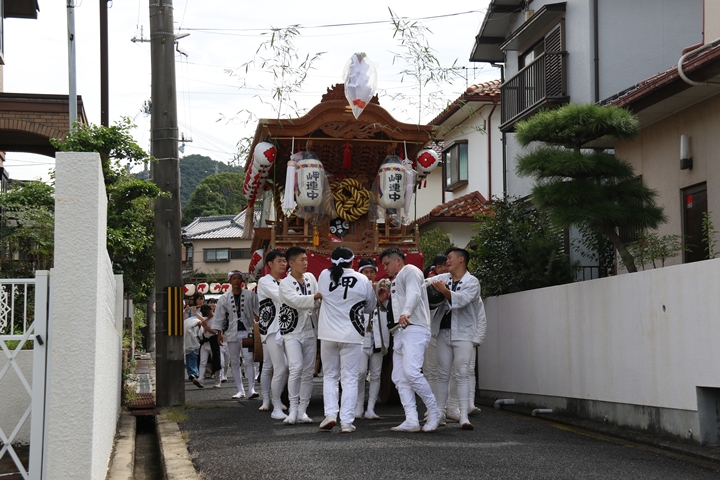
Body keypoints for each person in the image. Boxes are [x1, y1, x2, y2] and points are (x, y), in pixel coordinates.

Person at [380, 247, 442, 433]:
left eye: (387, 263)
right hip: (400, 331)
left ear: (398, 260)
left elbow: (414, 294)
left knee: (412, 372)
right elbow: (398, 304)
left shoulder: (410, 271)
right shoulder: (397, 279)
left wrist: (406, 312)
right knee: (399, 376)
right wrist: (385, 301)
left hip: (414, 327)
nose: (385, 268)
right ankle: (411, 419)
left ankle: (434, 411)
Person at [317, 246, 376, 433]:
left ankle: (330, 414)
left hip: (328, 333)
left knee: (330, 376)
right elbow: (370, 307)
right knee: (350, 378)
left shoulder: (324, 275)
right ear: (353, 261)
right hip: (352, 334)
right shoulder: (362, 279)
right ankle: (347, 422)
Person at [429, 247, 487, 430]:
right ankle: (439, 415)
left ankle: (464, 416)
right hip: (443, 331)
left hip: (464, 333)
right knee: (442, 374)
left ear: (461, 259)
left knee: (462, 374)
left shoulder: (472, 282)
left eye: (450, 258)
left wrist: (444, 291)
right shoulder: (443, 279)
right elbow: (424, 284)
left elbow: (461, 300)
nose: (447, 261)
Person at [279, 247, 321, 425]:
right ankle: (293, 409)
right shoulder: (285, 283)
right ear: (291, 263)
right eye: (302, 260)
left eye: (306, 259)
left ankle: (303, 410)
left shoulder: (311, 278)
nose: (305, 263)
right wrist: (315, 297)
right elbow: (295, 301)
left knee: (308, 372)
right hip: (292, 331)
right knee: (296, 368)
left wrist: (315, 299)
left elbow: (317, 303)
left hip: (310, 330)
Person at [212, 270, 259, 399]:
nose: (237, 281)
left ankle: (251, 389)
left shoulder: (250, 295)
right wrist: (219, 333)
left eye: (239, 278)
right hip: (231, 332)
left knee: (249, 360)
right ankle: (240, 390)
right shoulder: (224, 298)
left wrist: (257, 322)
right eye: (234, 278)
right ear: (230, 281)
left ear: (242, 280)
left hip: (247, 331)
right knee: (234, 361)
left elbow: (259, 311)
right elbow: (219, 317)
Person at [354, 258, 389, 420]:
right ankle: (358, 405)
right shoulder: (355, 290)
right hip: (361, 337)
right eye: (366, 272)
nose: (369, 275)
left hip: (378, 338)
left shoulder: (383, 288)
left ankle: (371, 408)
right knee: (360, 372)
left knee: (375, 374)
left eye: (372, 272)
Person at [257, 249, 289, 419]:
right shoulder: (265, 281)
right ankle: (267, 400)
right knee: (271, 366)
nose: (283, 264)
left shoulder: (284, 282)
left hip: (283, 328)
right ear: (270, 264)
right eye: (279, 261)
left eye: (284, 261)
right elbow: (282, 298)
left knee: (284, 367)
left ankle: (276, 398)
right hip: (270, 328)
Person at [197, 305, 223, 388]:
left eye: (209, 313)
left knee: (216, 361)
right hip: (205, 342)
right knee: (202, 362)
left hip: (214, 342)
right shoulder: (205, 319)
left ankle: (218, 380)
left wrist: (205, 326)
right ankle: (200, 379)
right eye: (207, 314)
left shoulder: (216, 318)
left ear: (212, 309)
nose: (209, 315)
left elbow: (215, 332)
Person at [183, 305, 206, 389]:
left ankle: (196, 374)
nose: (201, 301)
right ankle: (194, 374)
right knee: (192, 354)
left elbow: (205, 320)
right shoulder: (189, 309)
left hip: (200, 330)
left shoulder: (204, 308)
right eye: (199, 299)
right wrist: (185, 311)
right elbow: (184, 321)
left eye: (202, 299)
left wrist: (196, 313)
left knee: (199, 356)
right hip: (191, 331)